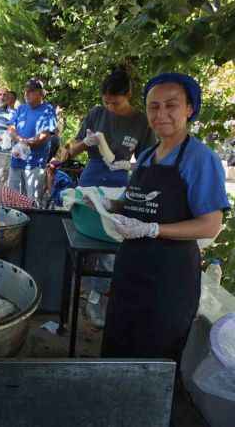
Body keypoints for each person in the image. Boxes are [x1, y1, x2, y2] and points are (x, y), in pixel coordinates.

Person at [102, 73, 230, 364]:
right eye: (153, 106)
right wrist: (108, 204)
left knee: (152, 359)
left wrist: (153, 229)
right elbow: (140, 203)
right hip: (131, 271)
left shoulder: (200, 158)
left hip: (169, 280)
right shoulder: (147, 156)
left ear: (189, 109)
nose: (161, 114)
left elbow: (211, 225)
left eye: (171, 105)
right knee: (118, 346)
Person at [68, 69, 157, 328]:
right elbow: (71, 148)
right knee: (81, 240)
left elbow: (146, 161)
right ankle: (79, 289)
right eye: (106, 101)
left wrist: (128, 167)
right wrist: (86, 142)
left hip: (118, 186)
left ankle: (97, 298)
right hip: (90, 180)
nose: (110, 107)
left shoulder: (141, 122)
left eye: (115, 102)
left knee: (109, 246)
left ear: (127, 95)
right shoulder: (97, 114)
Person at [8, 78, 57, 205]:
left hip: (35, 164)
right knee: (13, 201)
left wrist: (27, 142)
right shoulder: (21, 109)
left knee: (32, 203)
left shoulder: (48, 109)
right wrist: (19, 139)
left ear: (41, 93)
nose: (27, 94)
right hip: (16, 162)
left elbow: (45, 135)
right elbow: (11, 127)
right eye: (25, 91)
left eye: (31, 91)